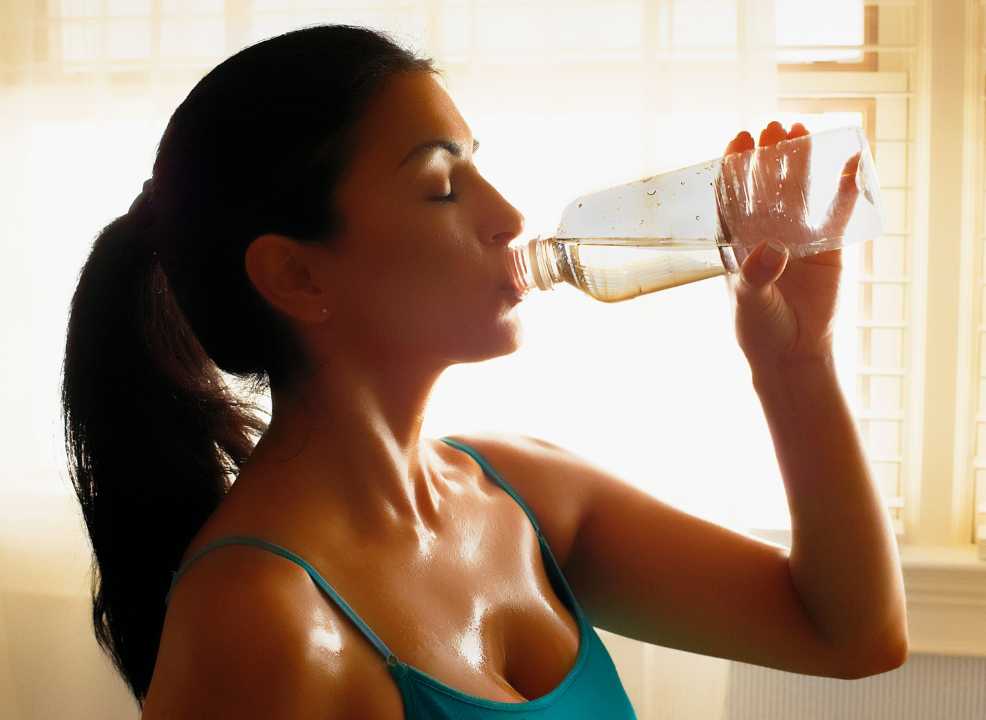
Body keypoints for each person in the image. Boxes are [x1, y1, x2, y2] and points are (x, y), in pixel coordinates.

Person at [61, 24, 908, 720]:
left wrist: (797, 360)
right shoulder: (258, 618)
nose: (507, 215)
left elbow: (848, 636)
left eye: (477, 166)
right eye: (441, 185)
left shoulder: (521, 492)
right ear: (297, 276)